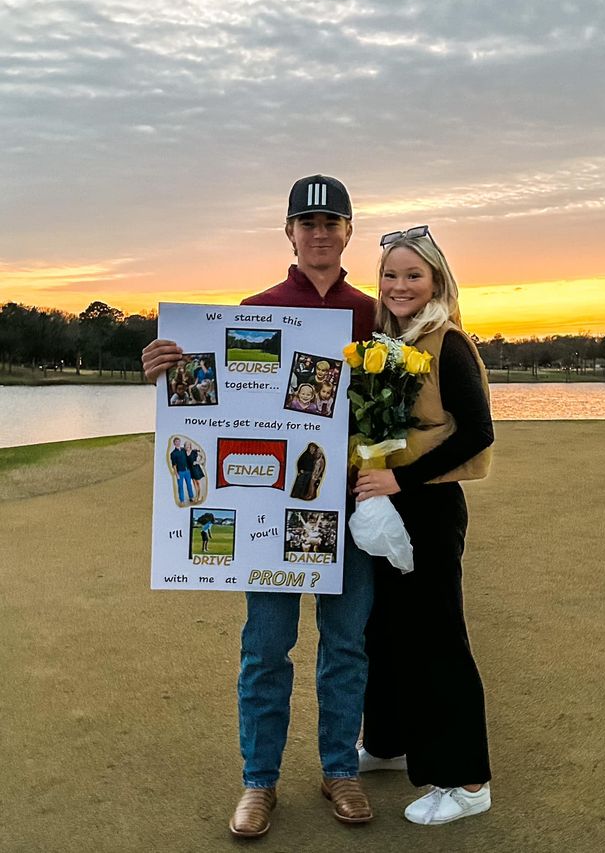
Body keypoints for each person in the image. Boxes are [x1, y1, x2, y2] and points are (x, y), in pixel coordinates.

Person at [142, 174, 376, 839]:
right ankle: (259, 780)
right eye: (308, 222)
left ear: (349, 231)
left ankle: (340, 768)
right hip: (269, 515)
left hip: (352, 509)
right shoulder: (256, 308)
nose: (320, 232)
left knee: (346, 644)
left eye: (332, 221)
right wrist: (165, 367)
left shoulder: (374, 312)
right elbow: (220, 402)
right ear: (289, 233)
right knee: (267, 646)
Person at [353, 226, 494, 826]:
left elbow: (478, 430)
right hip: (387, 504)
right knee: (384, 629)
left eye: (414, 274)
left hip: (429, 506)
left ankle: (465, 780)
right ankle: (388, 741)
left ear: (435, 279)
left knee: (437, 637)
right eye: (391, 274)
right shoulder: (388, 339)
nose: (400, 284)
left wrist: (400, 481)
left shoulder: (446, 341)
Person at [170, 436, 195, 504]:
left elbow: (189, 454)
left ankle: (191, 497)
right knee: (180, 486)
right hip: (180, 472)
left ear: (180, 442)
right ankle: (182, 500)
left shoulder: (184, 450)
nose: (178, 443)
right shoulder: (173, 453)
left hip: (187, 471)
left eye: (178, 442)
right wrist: (176, 474)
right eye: (176, 442)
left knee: (189, 485)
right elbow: (174, 465)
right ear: (174, 443)